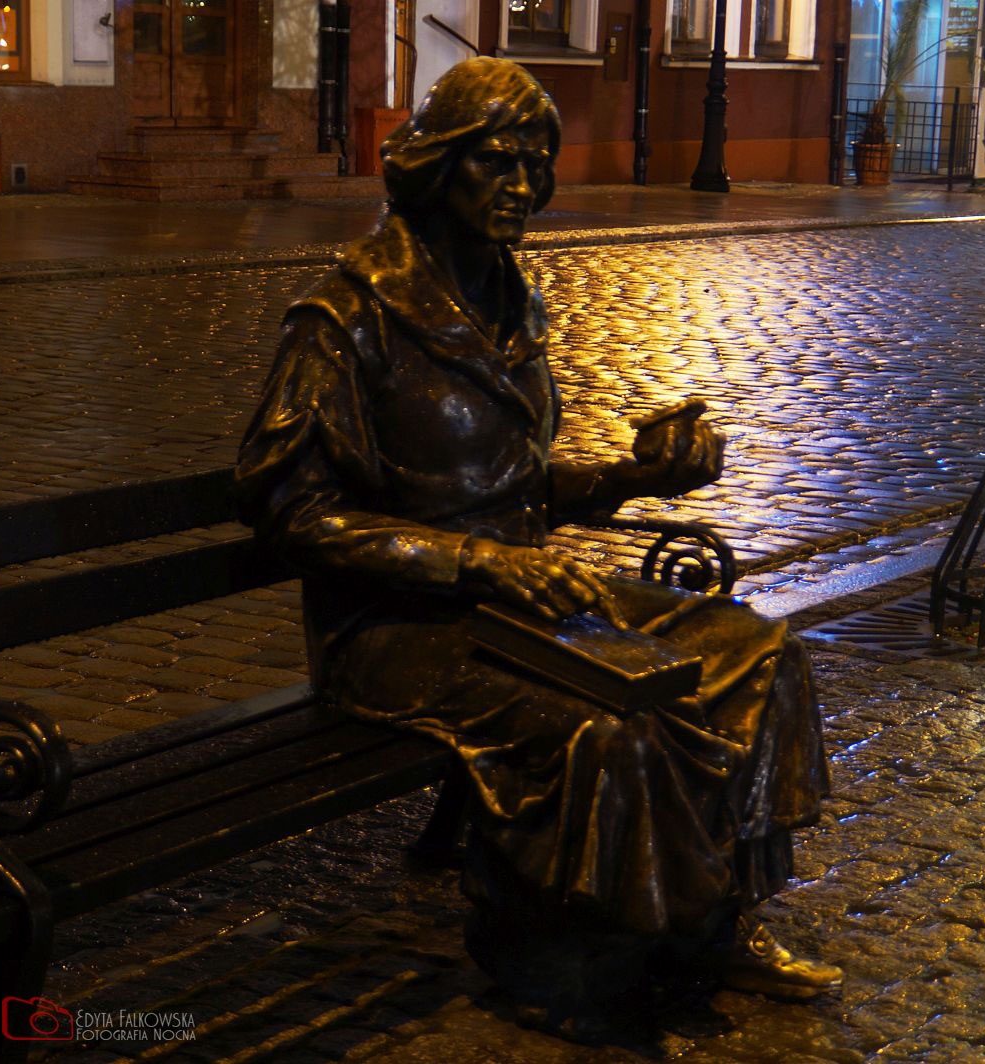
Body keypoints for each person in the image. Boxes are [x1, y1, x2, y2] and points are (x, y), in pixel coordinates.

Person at [235, 56, 839, 1027]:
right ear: (437, 166)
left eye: (535, 166)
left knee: (757, 655)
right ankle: (571, 961)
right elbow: (293, 512)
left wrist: (642, 477)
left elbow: (516, 484)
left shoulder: (513, 302)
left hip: (513, 600)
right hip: (397, 628)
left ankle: (713, 922)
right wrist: (484, 562)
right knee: (613, 725)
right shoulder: (346, 317)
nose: (522, 187)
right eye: (497, 163)